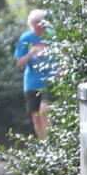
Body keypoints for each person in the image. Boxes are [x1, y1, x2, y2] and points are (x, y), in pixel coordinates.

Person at [15, 9, 55, 139]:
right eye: (34, 23)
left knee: (45, 110)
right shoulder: (26, 39)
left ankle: (51, 144)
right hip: (32, 83)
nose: (38, 26)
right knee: (36, 117)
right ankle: (44, 145)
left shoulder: (53, 36)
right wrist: (31, 54)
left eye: (40, 22)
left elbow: (62, 56)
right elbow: (19, 63)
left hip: (50, 80)